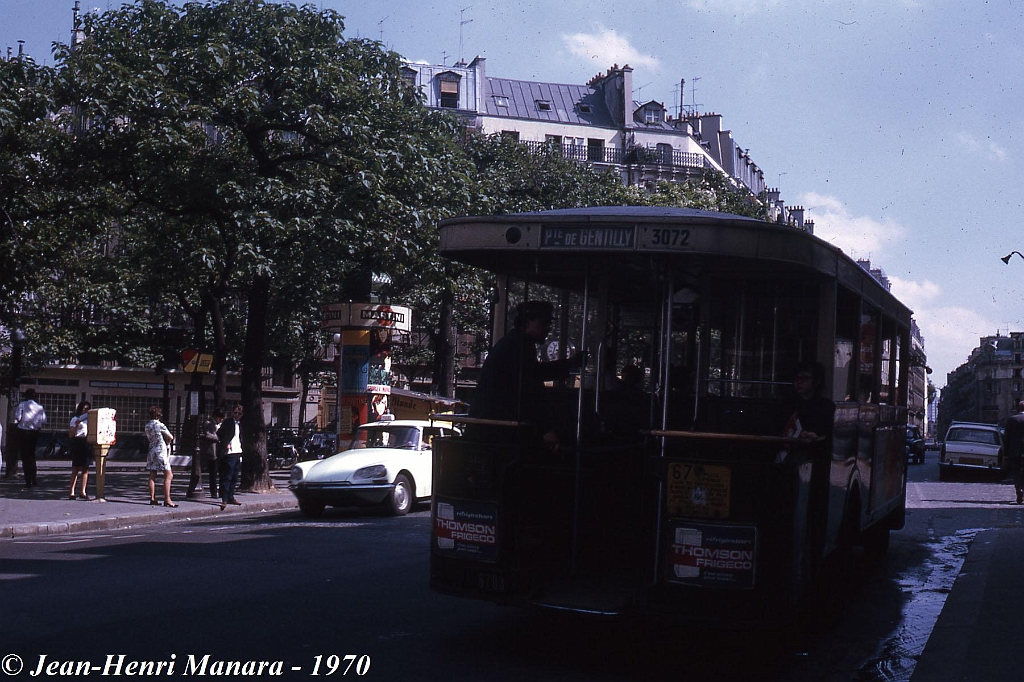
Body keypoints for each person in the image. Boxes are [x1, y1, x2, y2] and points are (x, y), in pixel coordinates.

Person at [469, 300, 585, 450]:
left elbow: (533, 373)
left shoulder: (516, 342)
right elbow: (529, 386)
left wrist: (569, 364)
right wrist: (545, 428)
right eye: (543, 323)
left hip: (491, 425)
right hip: (498, 428)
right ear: (527, 322)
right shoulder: (519, 345)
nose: (547, 328)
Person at [13, 388, 47, 488]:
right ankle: (34, 478)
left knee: (25, 457)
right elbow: (44, 420)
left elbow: (18, 418)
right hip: (35, 432)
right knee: (32, 456)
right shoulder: (40, 407)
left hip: (23, 432)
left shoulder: (22, 405)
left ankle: (28, 481)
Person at [144, 405, 176, 507]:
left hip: (151, 450)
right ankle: (167, 499)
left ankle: (152, 498)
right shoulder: (160, 425)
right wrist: (167, 442)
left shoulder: (147, 425)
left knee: (152, 474)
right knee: (168, 475)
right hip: (160, 450)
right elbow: (170, 436)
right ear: (159, 415)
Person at [217, 404, 243, 510]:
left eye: (239, 413)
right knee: (227, 476)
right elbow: (219, 433)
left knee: (235, 476)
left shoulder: (240, 424)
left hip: (238, 451)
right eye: (235, 413)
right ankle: (224, 499)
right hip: (230, 453)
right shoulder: (228, 422)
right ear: (232, 413)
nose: (237, 415)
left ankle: (231, 496)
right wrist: (225, 443)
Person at [68, 400, 93, 500]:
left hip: (87, 442)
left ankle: (83, 491)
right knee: (76, 468)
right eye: (83, 409)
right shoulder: (75, 419)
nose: (85, 411)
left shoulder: (90, 420)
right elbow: (71, 434)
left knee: (85, 468)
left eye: (87, 409)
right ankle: (72, 491)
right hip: (78, 441)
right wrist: (76, 425)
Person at [195, 412, 222, 500]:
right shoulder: (208, 423)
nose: (220, 420)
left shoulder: (220, 424)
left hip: (220, 450)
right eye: (219, 418)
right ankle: (213, 492)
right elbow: (208, 435)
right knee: (213, 473)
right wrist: (219, 438)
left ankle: (220, 491)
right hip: (212, 450)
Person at [1004, 401, 1024, 504]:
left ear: (1018, 409)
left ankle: (1018, 490)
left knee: (1016, 471)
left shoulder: (1012, 419)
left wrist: (1005, 453)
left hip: (1014, 451)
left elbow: (1007, 437)